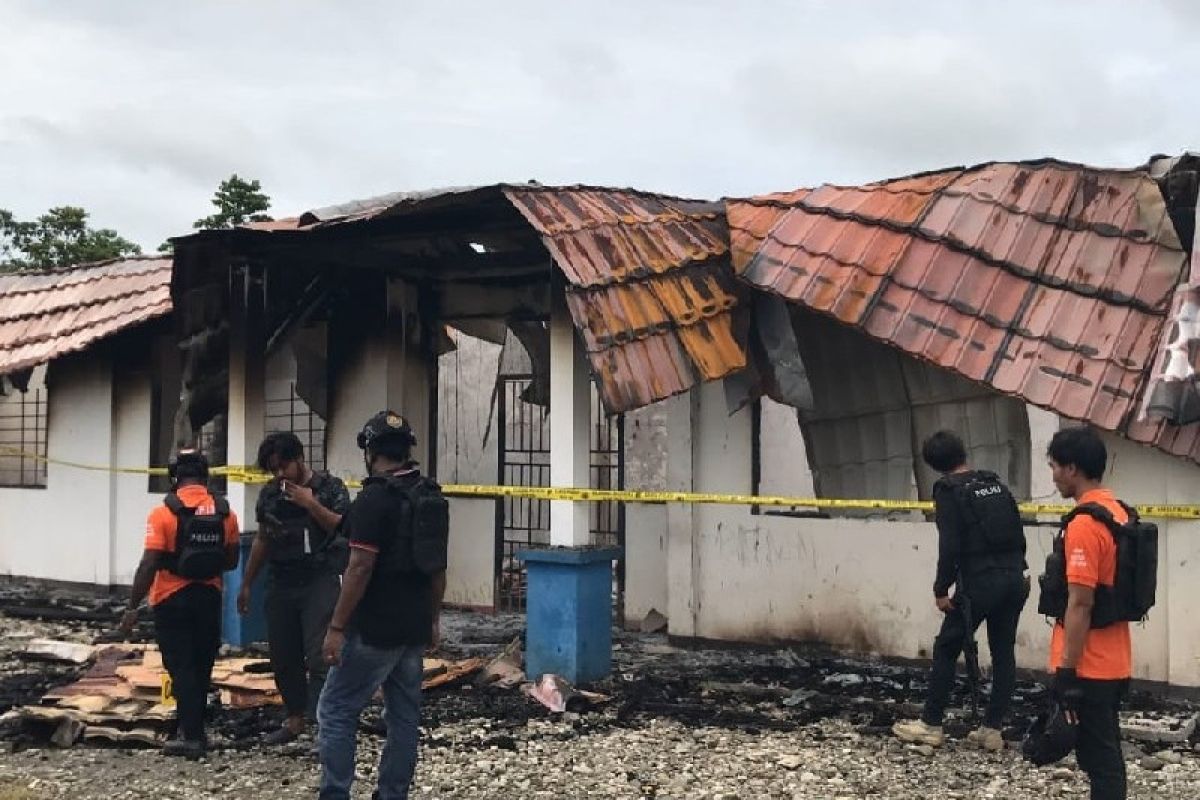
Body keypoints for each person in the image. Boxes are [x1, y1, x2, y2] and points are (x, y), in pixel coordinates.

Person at [317, 411, 448, 800]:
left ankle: (335, 793)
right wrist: (433, 619)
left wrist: (337, 628)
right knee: (404, 716)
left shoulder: (376, 497)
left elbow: (359, 566)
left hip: (374, 629)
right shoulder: (429, 494)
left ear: (370, 451)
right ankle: (393, 793)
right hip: (412, 627)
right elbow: (437, 568)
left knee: (335, 709)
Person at [893, 430, 1029, 750]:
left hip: (981, 582)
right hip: (1015, 578)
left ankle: (931, 724)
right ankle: (992, 729)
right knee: (1003, 651)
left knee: (946, 648)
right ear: (962, 453)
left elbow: (950, 546)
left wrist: (942, 589)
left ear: (933, 465)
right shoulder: (992, 482)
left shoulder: (948, 490)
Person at [119, 449, 240, 758]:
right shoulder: (226, 512)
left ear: (173, 477)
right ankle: (192, 727)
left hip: (171, 598)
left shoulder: (162, 514)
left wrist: (133, 606)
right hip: (210, 596)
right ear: (206, 475)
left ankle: (193, 738)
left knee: (180, 665)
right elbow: (231, 560)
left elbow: (149, 563)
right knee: (202, 663)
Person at [238, 432, 351, 745]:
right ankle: (294, 718)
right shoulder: (271, 495)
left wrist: (310, 503)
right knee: (283, 653)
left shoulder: (330, 488)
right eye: (272, 469)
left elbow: (343, 527)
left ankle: (325, 723)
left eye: (283, 466)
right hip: (281, 581)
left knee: (320, 655)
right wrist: (246, 584)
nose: (279, 475)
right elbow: (262, 538)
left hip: (320, 578)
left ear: (300, 458)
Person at [1044, 427, 1131, 799]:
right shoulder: (1119, 513)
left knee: (1100, 762)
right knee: (1106, 755)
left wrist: (1066, 670)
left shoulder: (1084, 524)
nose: (1053, 475)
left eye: (1054, 467)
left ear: (1072, 468)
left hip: (1088, 665)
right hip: (1116, 659)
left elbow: (1081, 601)